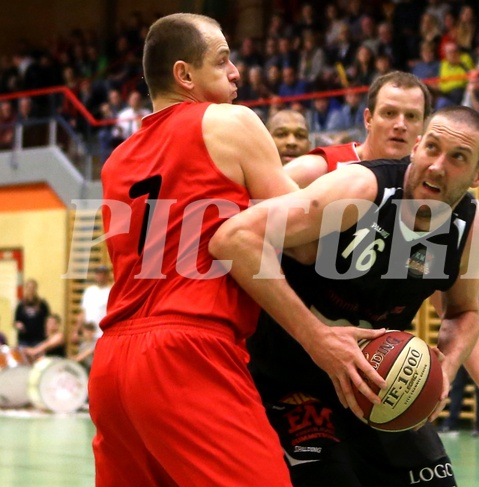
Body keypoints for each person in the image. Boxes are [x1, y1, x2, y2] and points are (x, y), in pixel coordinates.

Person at [90, 14, 385, 487]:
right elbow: (307, 243)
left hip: (113, 364)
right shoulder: (231, 122)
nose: (237, 73)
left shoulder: (115, 161)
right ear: (185, 75)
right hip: (189, 354)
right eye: (223, 60)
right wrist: (363, 180)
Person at [210, 106, 479, 485]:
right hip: (291, 382)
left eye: (458, 158)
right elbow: (233, 238)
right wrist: (316, 336)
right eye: (432, 149)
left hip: (377, 387)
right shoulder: (360, 189)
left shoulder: (468, 226)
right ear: (417, 147)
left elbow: (463, 311)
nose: (438, 166)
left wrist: (447, 370)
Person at [285, 71, 431, 188]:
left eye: (411, 116)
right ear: (368, 119)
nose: (400, 125)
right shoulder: (319, 168)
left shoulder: (431, 184)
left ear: (423, 126)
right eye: (389, 113)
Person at [441, 281, 479, 436]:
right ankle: (452, 423)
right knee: (457, 385)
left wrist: (476, 340)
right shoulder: (457, 291)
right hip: (462, 346)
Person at [74, 265, 111, 341]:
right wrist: (76, 331)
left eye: (104, 274)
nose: (101, 276)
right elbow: (83, 313)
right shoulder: (89, 291)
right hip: (88, 334)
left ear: (108, 276)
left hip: (103, 334)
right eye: (99, 274)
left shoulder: (111, 292)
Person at [14, 279, 50, 347]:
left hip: (38, 339)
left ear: (36, 289)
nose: (31, 290)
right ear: (26, 289)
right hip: (23, 339)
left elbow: (48, 320)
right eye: (29, 288)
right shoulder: (21, 305)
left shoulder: (42, 304)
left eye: (33, 288)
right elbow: (15, 321)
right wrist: (18, 325)